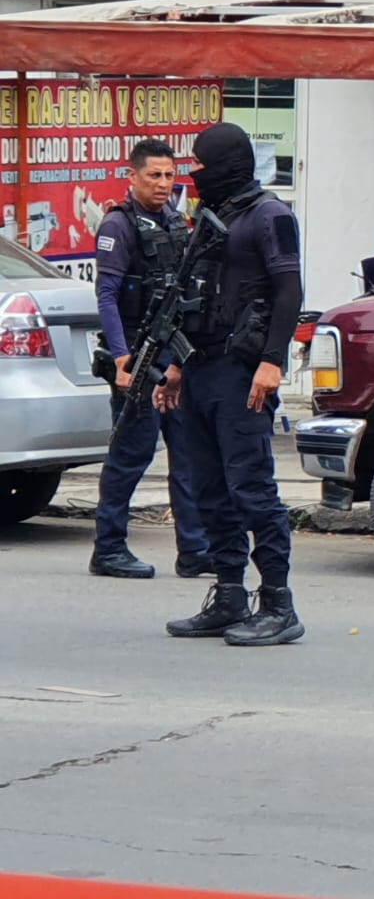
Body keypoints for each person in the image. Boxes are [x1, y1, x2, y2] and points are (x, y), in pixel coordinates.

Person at [163, 123, 306, 647]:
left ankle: (278, 603)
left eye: (200, 165)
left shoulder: (269, 216)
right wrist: (175, 365)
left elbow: (289, 289)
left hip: (243, 372)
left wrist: (273, 362)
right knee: (208, 490)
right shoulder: (209, 218)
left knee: (251, 487)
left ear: (226, 164)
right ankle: (228, 596)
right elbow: (190, 297)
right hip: (199, 369)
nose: (194, 174)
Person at [88, 139, 213, 580]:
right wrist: (123, 359)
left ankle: (195, 549)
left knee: (188, 454)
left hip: (173, 357)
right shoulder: (118, 226)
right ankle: (108, 548)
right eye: (153, 176)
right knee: (131, 454)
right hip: (137, 356)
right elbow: (106, 295)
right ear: (132, 177)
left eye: (168, 175)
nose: (163, 184)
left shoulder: (176, 221)